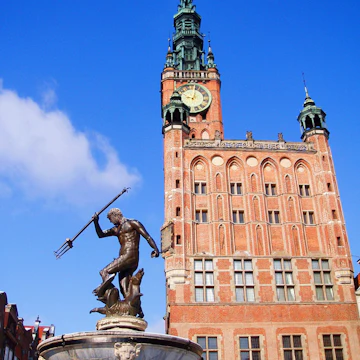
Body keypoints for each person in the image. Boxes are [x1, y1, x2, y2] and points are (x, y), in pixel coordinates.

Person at [92, 208, 159, 299]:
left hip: (129, 255)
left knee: (104, 271)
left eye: (110, 219)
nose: (111, 222)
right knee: (125, 288)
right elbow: (101, 234)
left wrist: (155, 249)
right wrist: (96, 222)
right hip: (128, 259)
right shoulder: (116, 229)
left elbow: (147, 237)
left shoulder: (133, 223)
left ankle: (105, 290)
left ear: (115, 215)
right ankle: (136, 308)